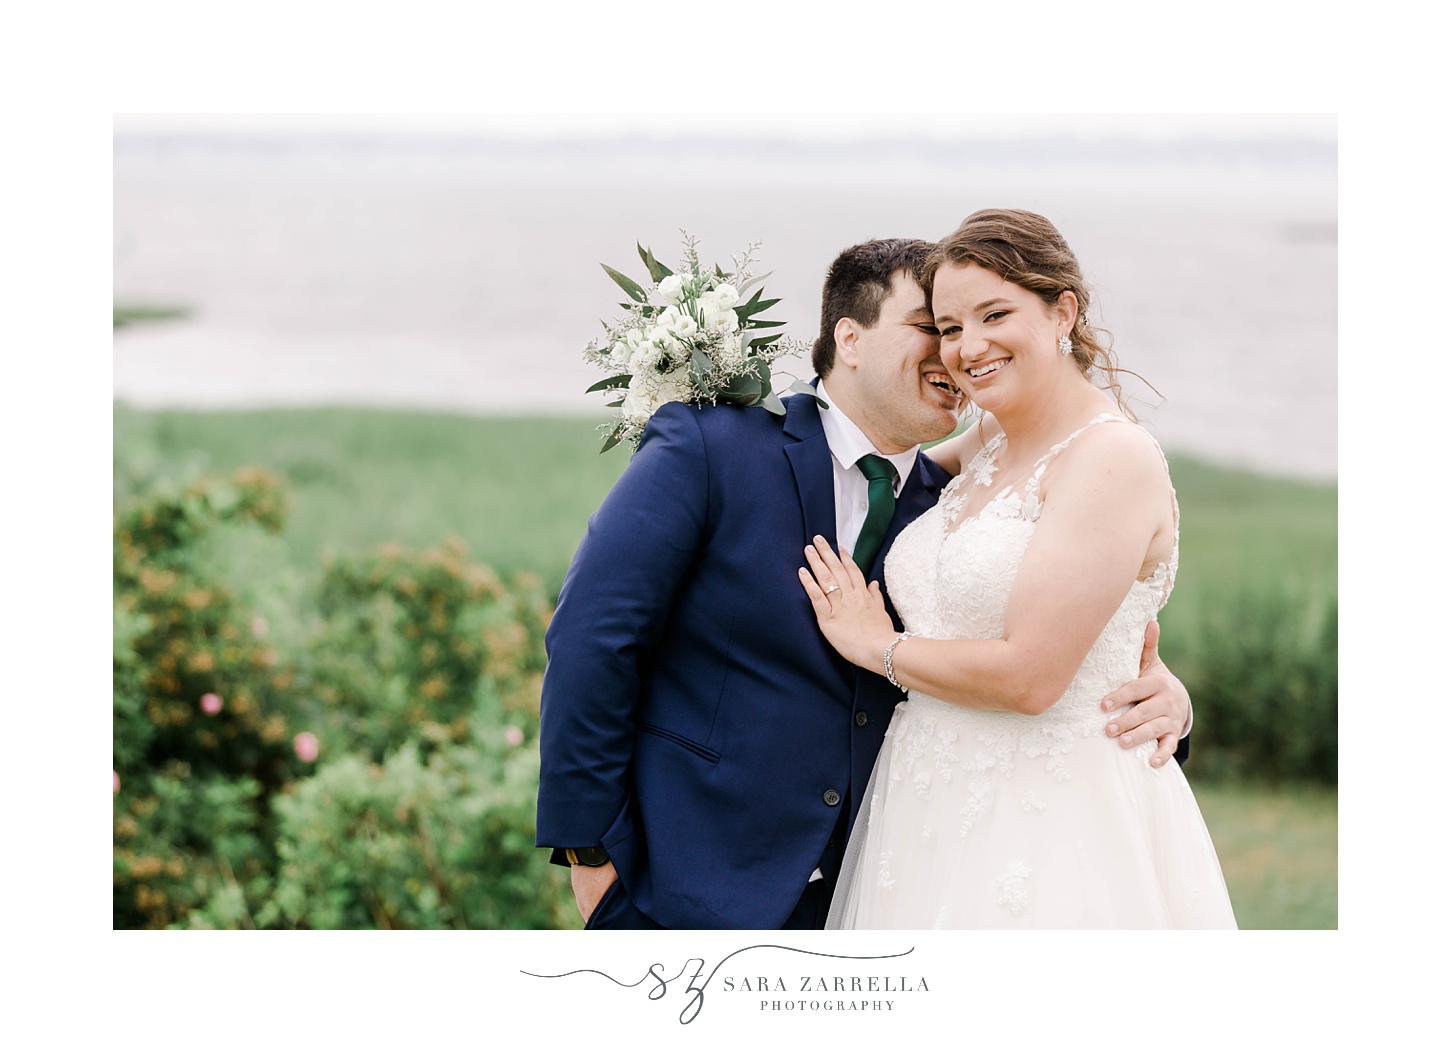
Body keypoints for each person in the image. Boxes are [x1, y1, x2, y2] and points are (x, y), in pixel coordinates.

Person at [536, 236, 1193, 930]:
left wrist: (1163, 696)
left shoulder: (949, 503)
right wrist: (589, 850)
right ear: (849, 338)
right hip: (684, 886)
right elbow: (591, 639)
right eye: (933, 328)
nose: (955, 354)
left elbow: (1043, 631)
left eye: (969, 327)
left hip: (886, 884)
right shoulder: (713, 448)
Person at [800, 210, 1236, 928]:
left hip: (1049, 814)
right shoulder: (988, 440)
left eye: (993, 314)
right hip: (921, 801)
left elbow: (1033, 677)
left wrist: (876, 646)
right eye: (946, 327)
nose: (966, 349)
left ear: (1061, 310)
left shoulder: (1111, 458)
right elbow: (857, 454)